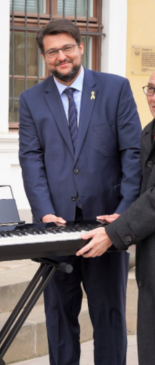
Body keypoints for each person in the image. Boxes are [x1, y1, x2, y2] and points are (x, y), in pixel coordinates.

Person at [18, 19, 142, 365]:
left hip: (106, 224)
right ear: (44, 57)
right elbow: (31, 159)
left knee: (109, 315)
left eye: (67, 48)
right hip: (56, 227)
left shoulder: (115, 88)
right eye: (53, 51)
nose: (61, 56)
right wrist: (43, 211)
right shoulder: (30, 99)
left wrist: (124, 212)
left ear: (81, 47)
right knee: (59, 318)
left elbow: (132, 153)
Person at [78, 70, 155, 365]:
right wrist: (122, 216)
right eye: (150, 89)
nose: (154, 97)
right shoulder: (149, 132)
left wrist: (116, 232)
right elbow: (143, 189)